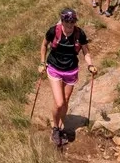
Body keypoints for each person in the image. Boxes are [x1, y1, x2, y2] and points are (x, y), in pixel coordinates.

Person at [39, 8, 95, 146]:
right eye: (67, 22)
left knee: (66, 100)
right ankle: (55, 128)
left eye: (73, 22)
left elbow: (85, 51)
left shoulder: (79, 33)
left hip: (71, 71)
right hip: (54, 68)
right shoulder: (54, 31)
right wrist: (42, 62)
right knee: (59, 102)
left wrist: (90, 65)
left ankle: (61, 125)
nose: (70, 25)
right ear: (62, 21)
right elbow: (44, 45)